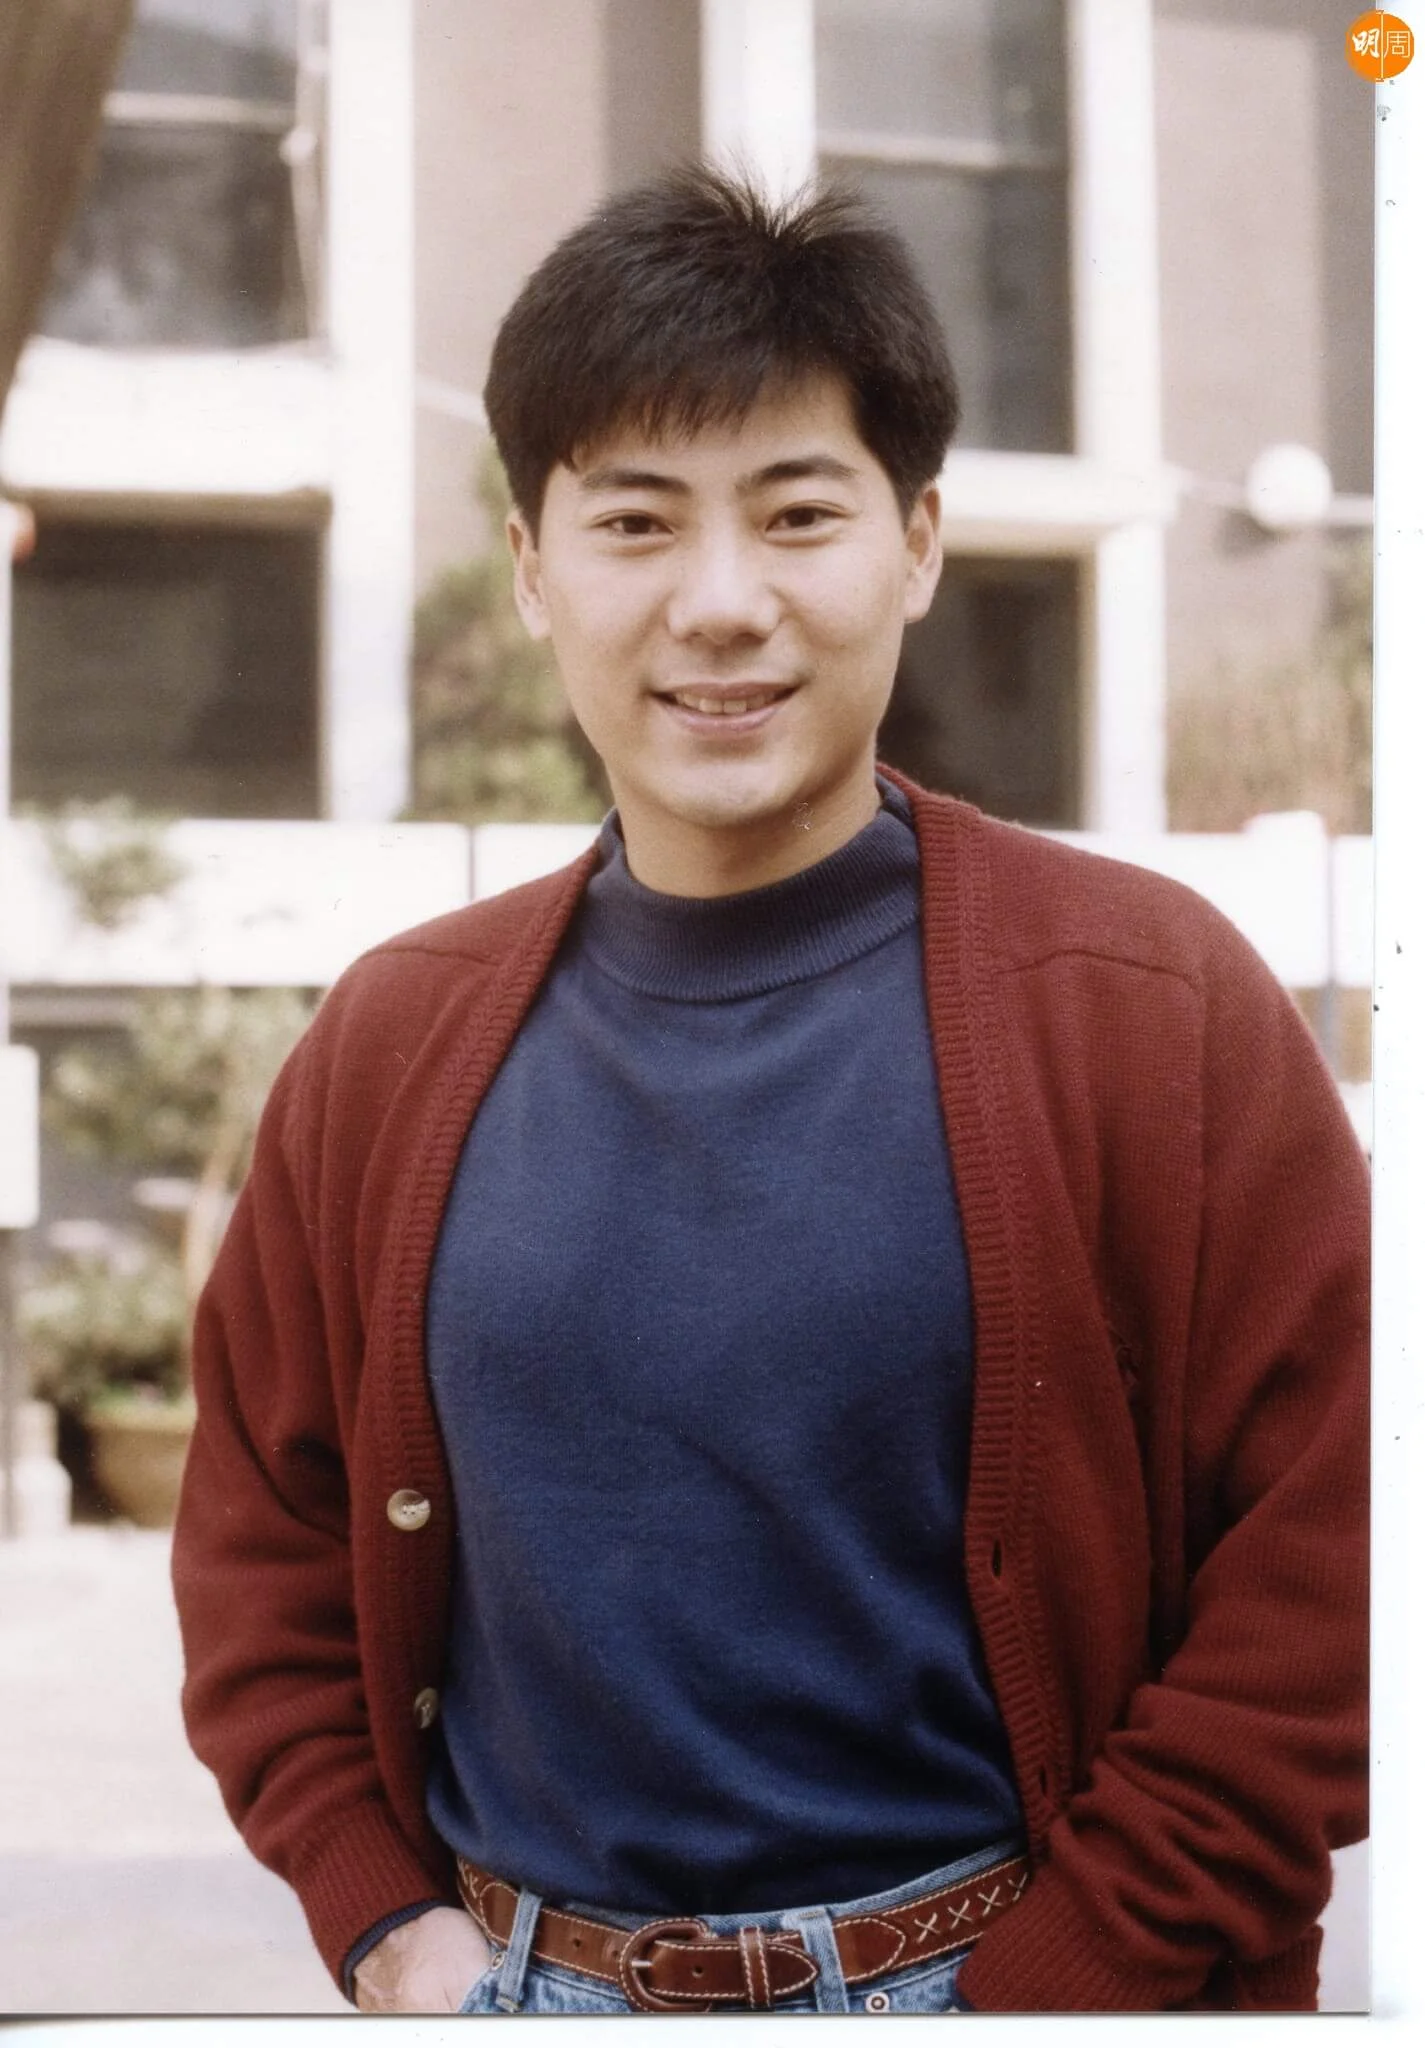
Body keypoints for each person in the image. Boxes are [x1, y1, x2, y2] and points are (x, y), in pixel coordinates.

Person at [171, 168, 1368, 2016]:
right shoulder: (394, 1042)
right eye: (635, 523)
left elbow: (1347, 1549)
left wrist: (1051, 1989)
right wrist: (387, 1924)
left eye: (799, 513)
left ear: (918, 542)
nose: (721, 605)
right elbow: (260, 1538)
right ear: (532, 567)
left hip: (1015, 1981)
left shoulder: (1146, 1006)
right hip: (522, 1988)